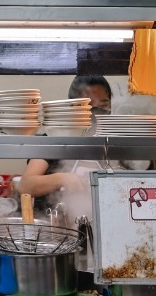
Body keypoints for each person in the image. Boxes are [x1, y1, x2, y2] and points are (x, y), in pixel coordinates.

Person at [17, 75, 113, 223]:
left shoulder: (114, 143)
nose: (97, 111)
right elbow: (26, 185)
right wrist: (61, 178)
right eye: (90, 105)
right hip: (55, 232)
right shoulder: (54, 139)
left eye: (104, 104)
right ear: (73, 106)